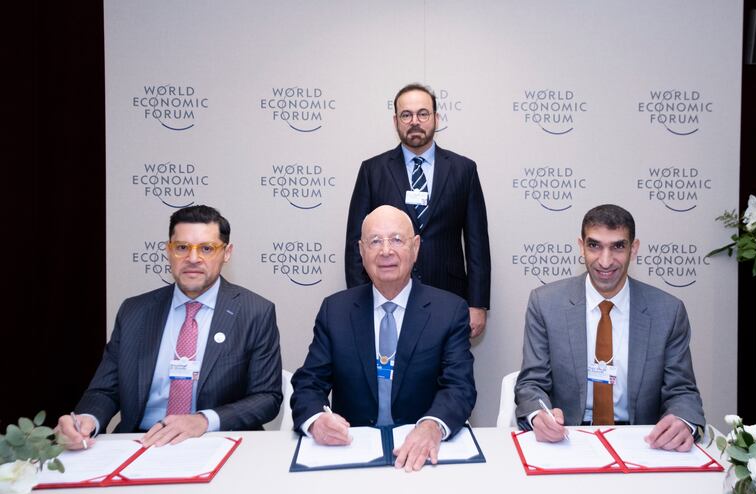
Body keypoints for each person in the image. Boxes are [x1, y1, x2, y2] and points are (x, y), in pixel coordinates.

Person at [56, 205, 283, 449]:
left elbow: (266, 397)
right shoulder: (135, 311)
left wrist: (204, 420)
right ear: (168, 250)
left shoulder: (255, 312)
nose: (193, 258)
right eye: (182, 247)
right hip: (140, 441)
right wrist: (86, 420)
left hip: (215, 440)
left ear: (227, 253)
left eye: (207, 248)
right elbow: (104, 390)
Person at [292, 205, 476, 471]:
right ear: (361, 251)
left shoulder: (449, 311)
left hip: (422, 460)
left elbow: (459, 388)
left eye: (397, 240)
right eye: (375, 241)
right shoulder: (336, 310)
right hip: (352, 456)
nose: (386, 251)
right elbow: (308, 384)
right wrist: (316, 420)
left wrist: (433, 425)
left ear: (415, 247)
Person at [514, 204, 705, 452]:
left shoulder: (668, 311)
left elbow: (682, 391)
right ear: (581, 246)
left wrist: (681, 421)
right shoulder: (545, 303)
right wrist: (539, 415)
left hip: (643, 441)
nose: (605, 261)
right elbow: (531, 384)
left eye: (618, 246)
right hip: (568, 439)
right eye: (594, 245)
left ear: (633, 249)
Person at [344, 83, 490, 338]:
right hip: (385, 297)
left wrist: (477, 304)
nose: (415, 121)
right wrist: (360, 298)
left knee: (447, 373)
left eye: (423, 114)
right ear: (395, 121)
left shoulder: (464, 170)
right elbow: (356, 243)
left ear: (436, 118)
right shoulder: (372, 171)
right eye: (406, 115)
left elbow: (477, 243)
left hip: (449, 296)